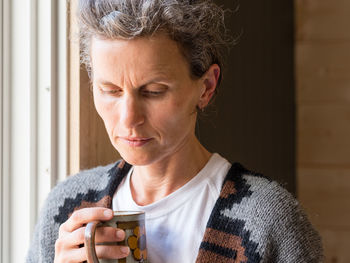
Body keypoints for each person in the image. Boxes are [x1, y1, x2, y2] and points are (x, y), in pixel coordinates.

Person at [27, 0, 323, 262]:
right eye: (110, 91)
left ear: (206, 87)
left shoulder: (269, 222)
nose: (129, 119)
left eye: (154, 92)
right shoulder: (65, 209)